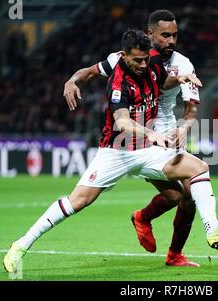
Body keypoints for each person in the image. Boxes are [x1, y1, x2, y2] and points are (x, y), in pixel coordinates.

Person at [3, 29, 218, 273]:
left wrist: (181, 78)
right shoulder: (118, 83)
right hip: (116, 151)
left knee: (199, 168)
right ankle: (20, 246)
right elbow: (122, 122)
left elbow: (162, 81)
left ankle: (213, 228)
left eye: (145, 59)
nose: (143, 65)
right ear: (123, 55)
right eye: (137, 60)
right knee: (78, 201)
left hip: (149, 150)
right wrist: (151, 133)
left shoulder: (152, 61)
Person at [64, 9, 202, 267]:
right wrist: (71, 80)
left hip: (170, 134)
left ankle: (170, 250)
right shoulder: (124, 59)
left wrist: (183, 128)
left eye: (175, 35)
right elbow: (90, 71)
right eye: (165, 36)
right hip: (141, 138)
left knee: (186, 197)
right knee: (180, 195)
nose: (171, 41)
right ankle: (148, 223)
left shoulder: (183, 64)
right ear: (150, 34)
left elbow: (191, 109)